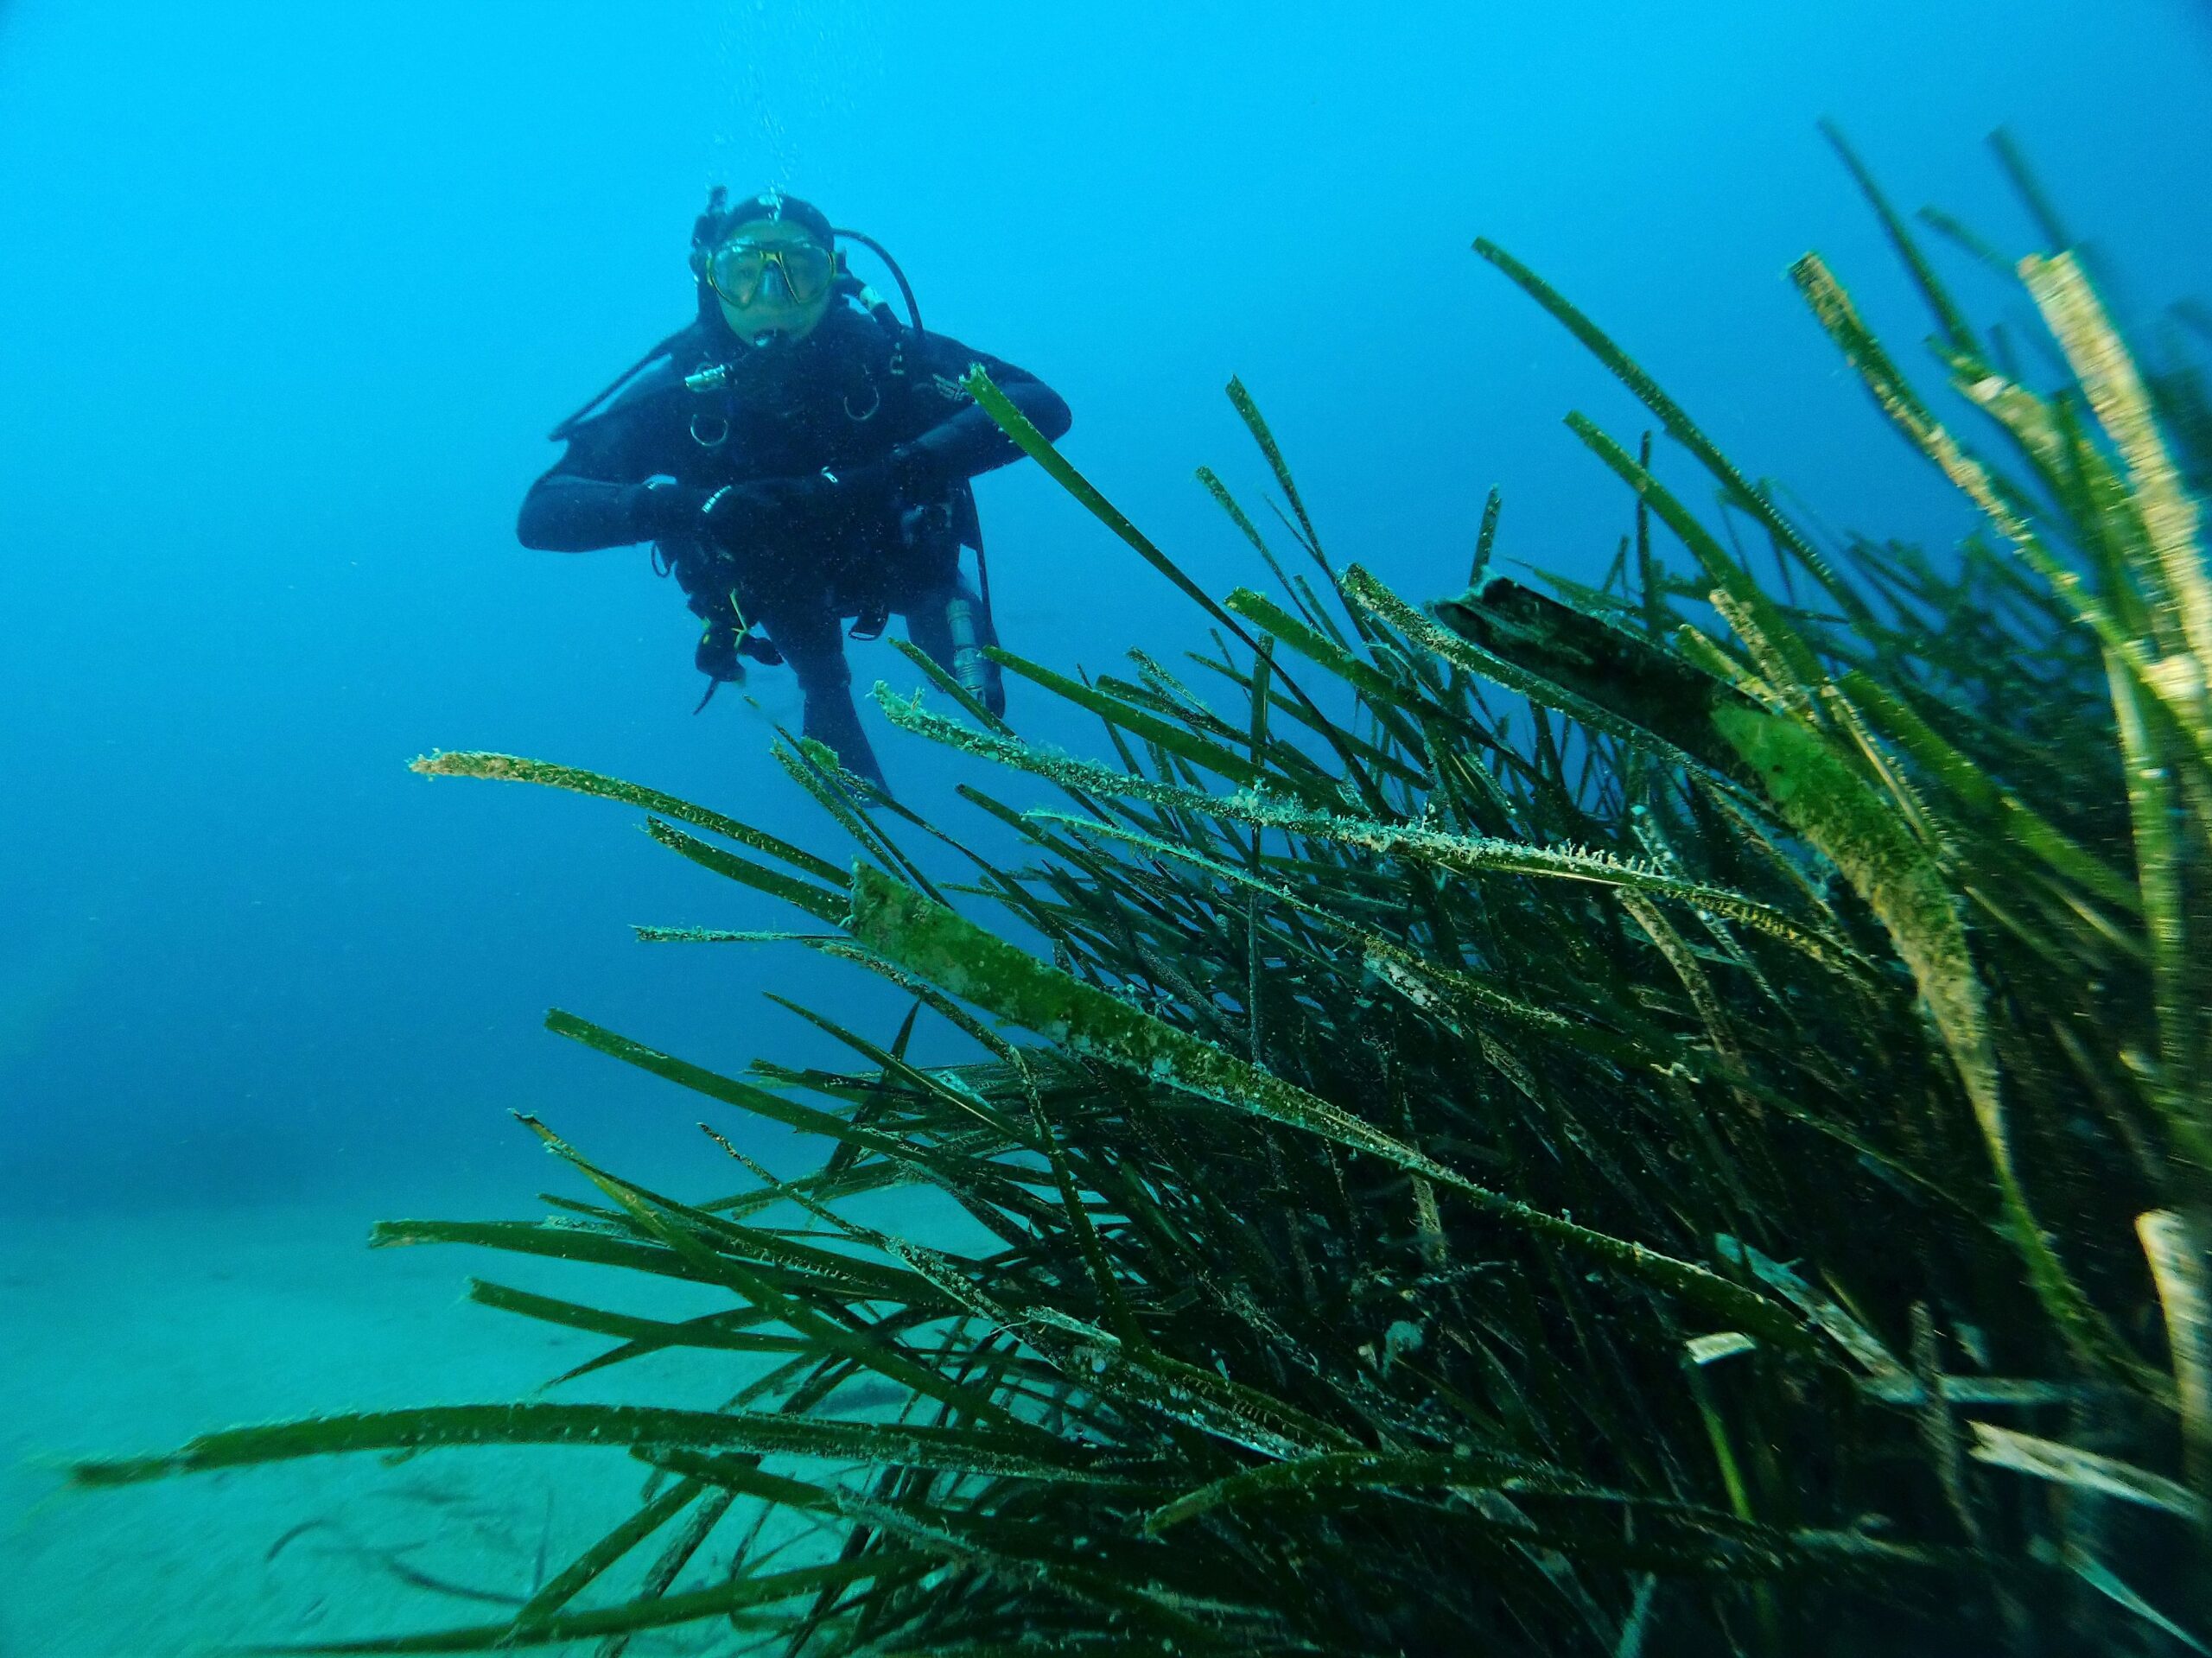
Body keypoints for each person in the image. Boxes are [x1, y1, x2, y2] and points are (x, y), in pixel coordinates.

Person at [518, 187, 1071, 785]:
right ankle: (825, 691)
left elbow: (1038, 404)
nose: (772, 298)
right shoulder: (681, 388)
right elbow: (542, 512)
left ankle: (959, 684)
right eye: (745, 273)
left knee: (974, 686)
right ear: (711, 277)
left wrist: (888, 474)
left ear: (833, 276)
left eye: (799, 271)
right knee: (778, 578)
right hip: (772, 592)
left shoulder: (882, 355)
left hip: (903, 563)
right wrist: (691, 508)